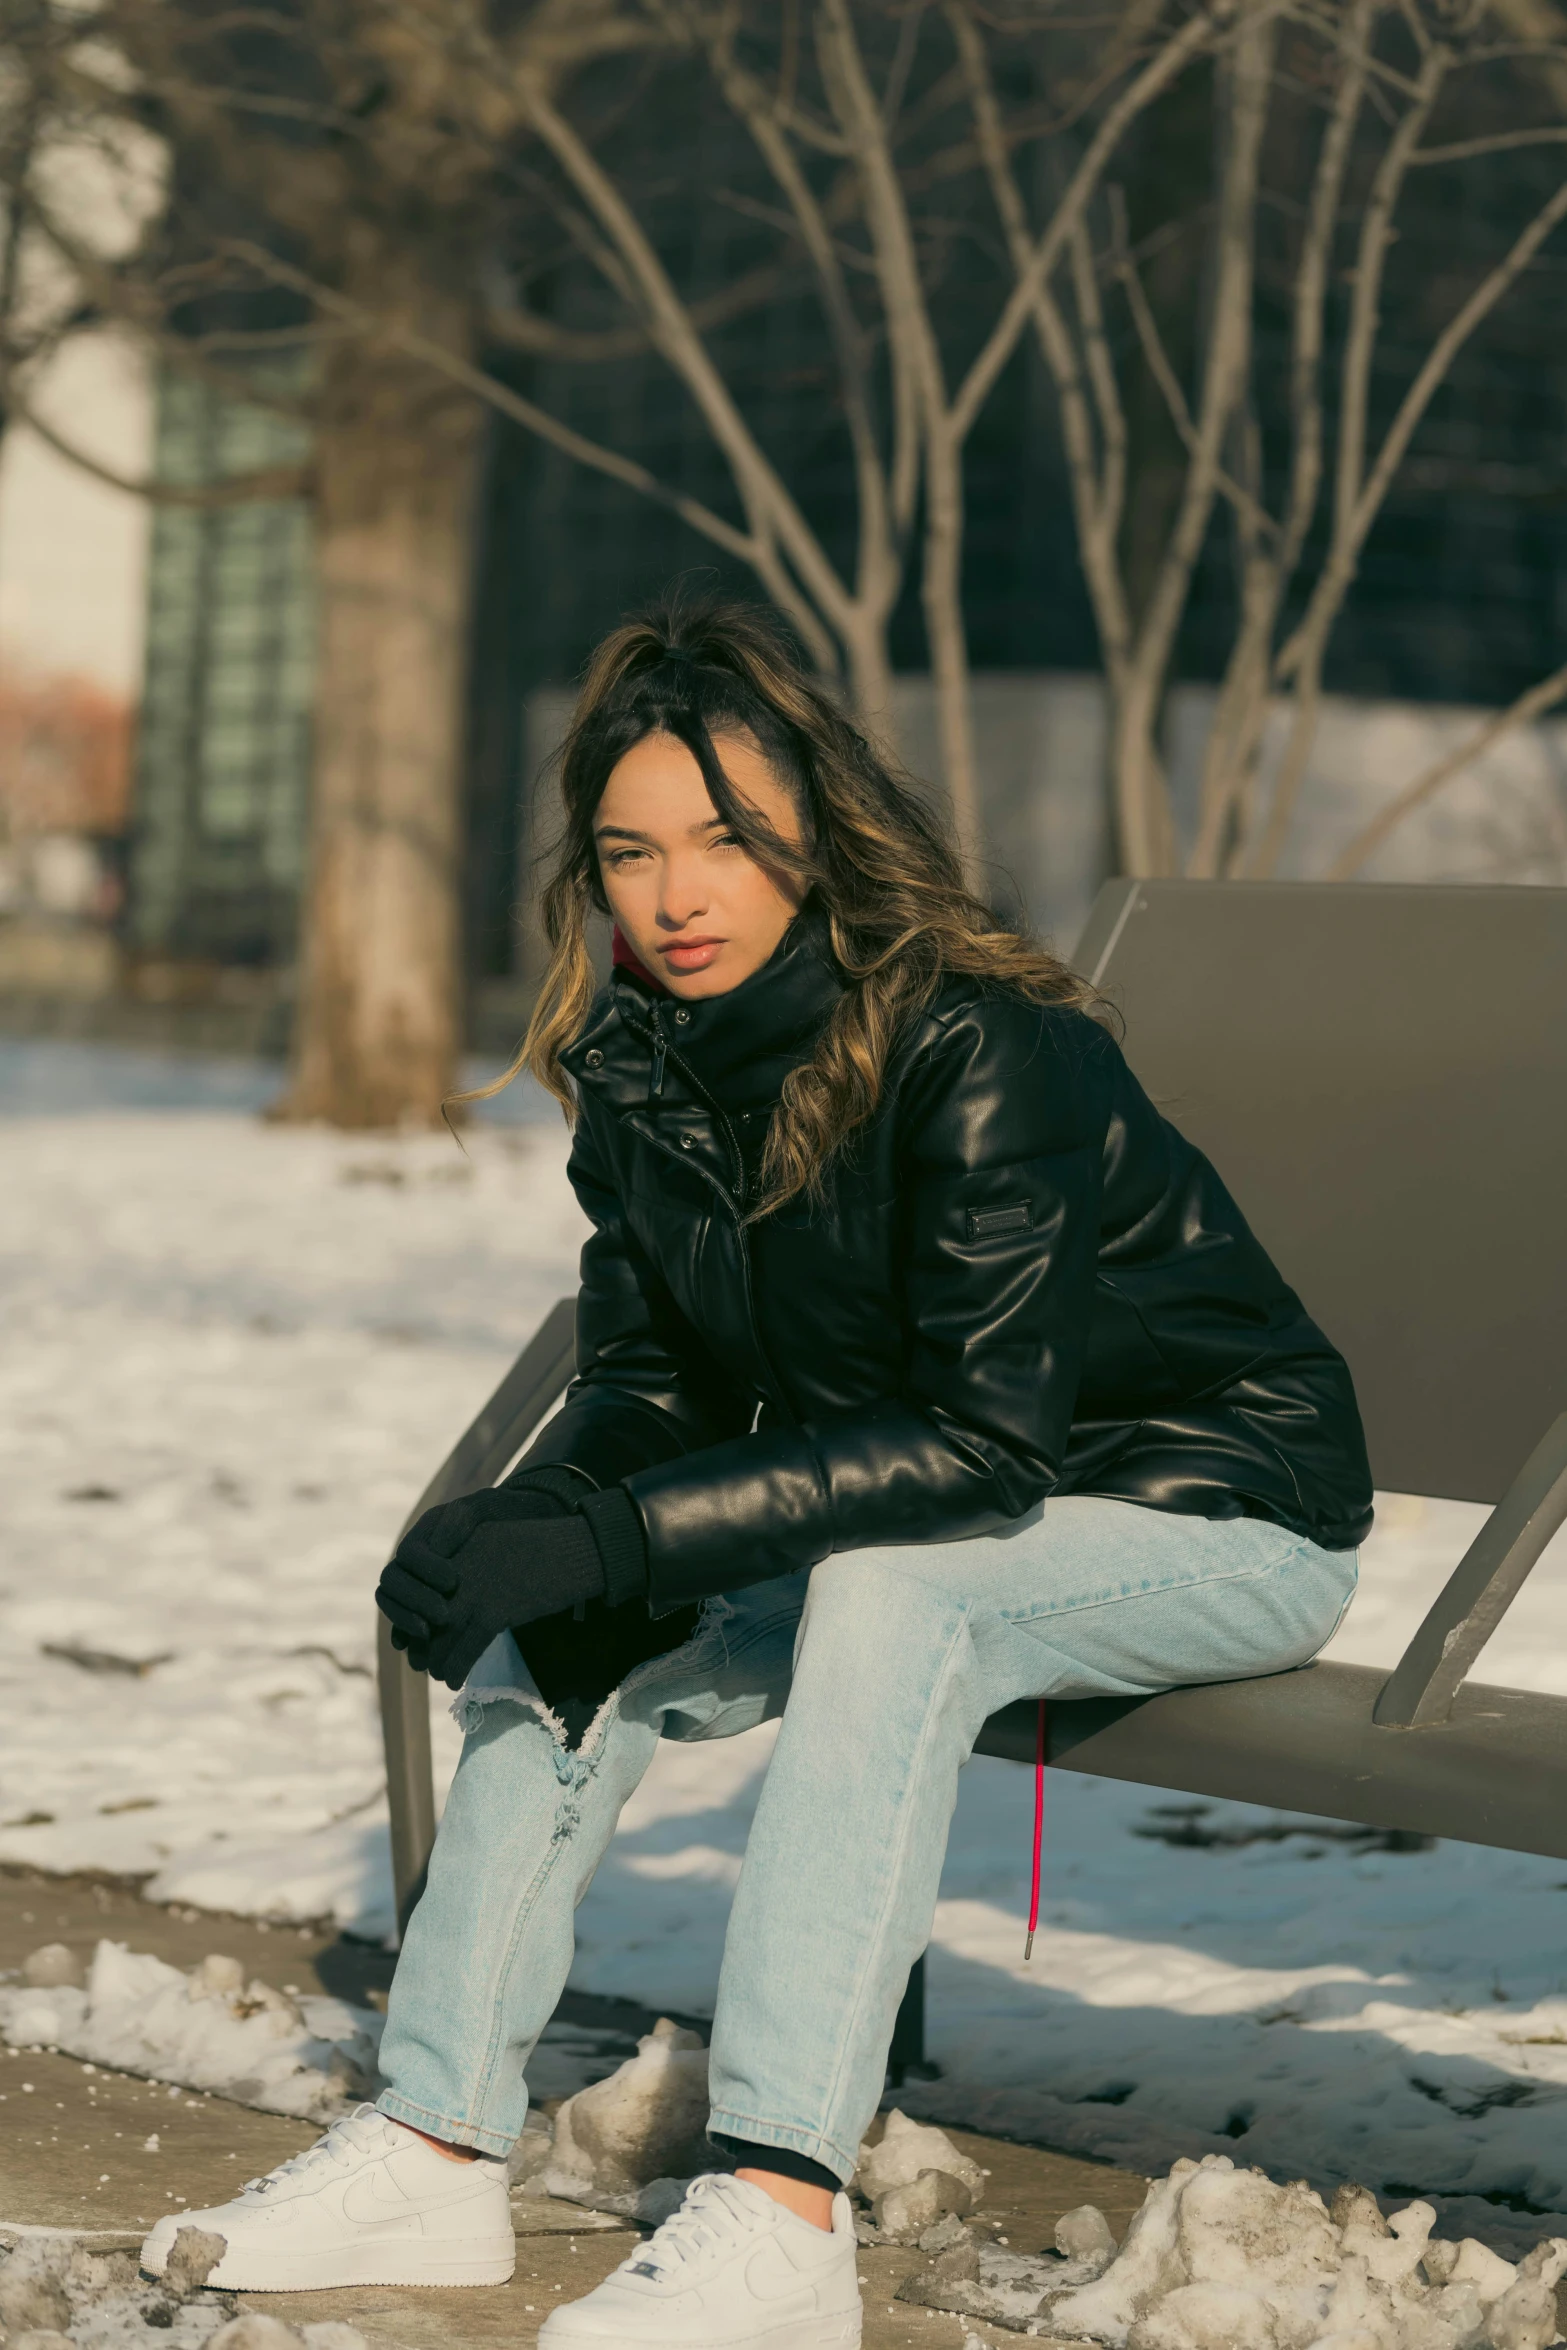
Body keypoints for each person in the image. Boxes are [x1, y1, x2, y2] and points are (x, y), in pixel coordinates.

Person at [140, 597, 1372, 2347]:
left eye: (723, 839)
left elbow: (984, 1439)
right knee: (589, 1627)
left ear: (815, 834)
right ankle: (430, 2136)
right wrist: (561, 1533)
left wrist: (623, 1528)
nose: (675, 892)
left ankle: (783, 2206)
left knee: (883, 1592)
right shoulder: (637, 1060)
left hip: (1213, 1508)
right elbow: (652, 1376)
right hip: (932, 1512)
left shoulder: (974, 1041)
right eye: (630, 849)